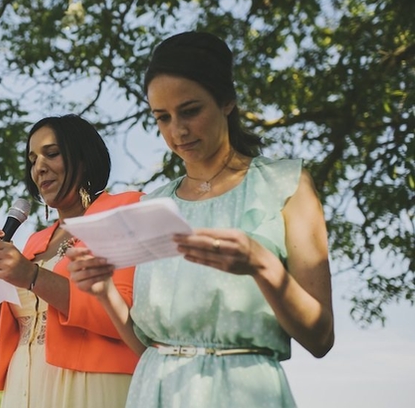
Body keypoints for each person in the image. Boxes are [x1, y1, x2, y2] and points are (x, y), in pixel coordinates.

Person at [67, 32, 335, 407]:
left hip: (245, 394)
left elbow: (321, 338)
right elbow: (149, 346)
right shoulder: (154, 205)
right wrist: (104, 291)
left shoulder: (285, 185)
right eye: (163, 117)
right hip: (155, 392)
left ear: (227, 101)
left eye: (190, 110)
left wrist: (263, 265)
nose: (177, 131)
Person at [0, 114, 143, 408]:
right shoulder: (35, 242)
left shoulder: (124, 210)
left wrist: (33, 277)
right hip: (24, 384)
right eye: (32, 159)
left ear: (84, 157)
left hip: (90, 386)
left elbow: (131, 320)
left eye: (51, 154)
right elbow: (5, 335)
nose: (39, 168)